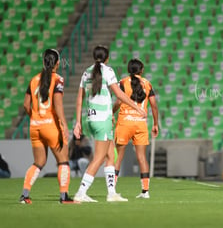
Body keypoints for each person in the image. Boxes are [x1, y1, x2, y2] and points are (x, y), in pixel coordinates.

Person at [73, 45, 147, 203]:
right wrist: (136, 107)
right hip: (102, 120)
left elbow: (79, 98)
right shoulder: (108, 71)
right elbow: (119, 94)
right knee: (99, 158)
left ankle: (112, 193)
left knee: (110, 156)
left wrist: (78, 122)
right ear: (107, 58)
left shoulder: (86, 72)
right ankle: (81, 192)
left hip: (92, 119)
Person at [20, 49, 74, 204]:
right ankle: (64, 197)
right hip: (50, 127)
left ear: (44, 62)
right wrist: (63, 124)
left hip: (35, 127)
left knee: (38, 162)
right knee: (63, 161)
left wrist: (35, 117)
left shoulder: (34, 79)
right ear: (57, 63)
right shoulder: (58, 79)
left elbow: (25, 105)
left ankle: (25, 195)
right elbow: (57, 106)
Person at [113, 59, 159, 199]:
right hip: (140, 123)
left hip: (124, 122)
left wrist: (111, 112)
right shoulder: (147, 84)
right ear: (142, 70)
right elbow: (154, 105)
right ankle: (145, 191)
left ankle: (112, 190)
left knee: (118, 157)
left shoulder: (123, 82)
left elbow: (119, 101)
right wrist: (156, 124)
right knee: (141, 157)